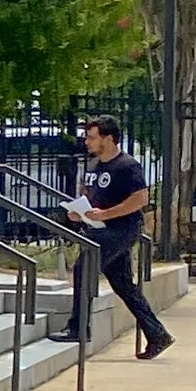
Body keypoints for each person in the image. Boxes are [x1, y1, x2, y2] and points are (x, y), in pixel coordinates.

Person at [71, 114, 172, 359]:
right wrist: (79, 211)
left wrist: (106, 214)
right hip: (98, 228)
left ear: (109, 138)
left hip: (121, 229)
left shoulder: (127, 166)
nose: (87, 142)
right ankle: (157, 334)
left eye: (92, 137)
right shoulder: (94, 166)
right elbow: (90, 194)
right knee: (124, 285)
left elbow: (140, 199)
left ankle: (78, 328)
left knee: (83, 268)